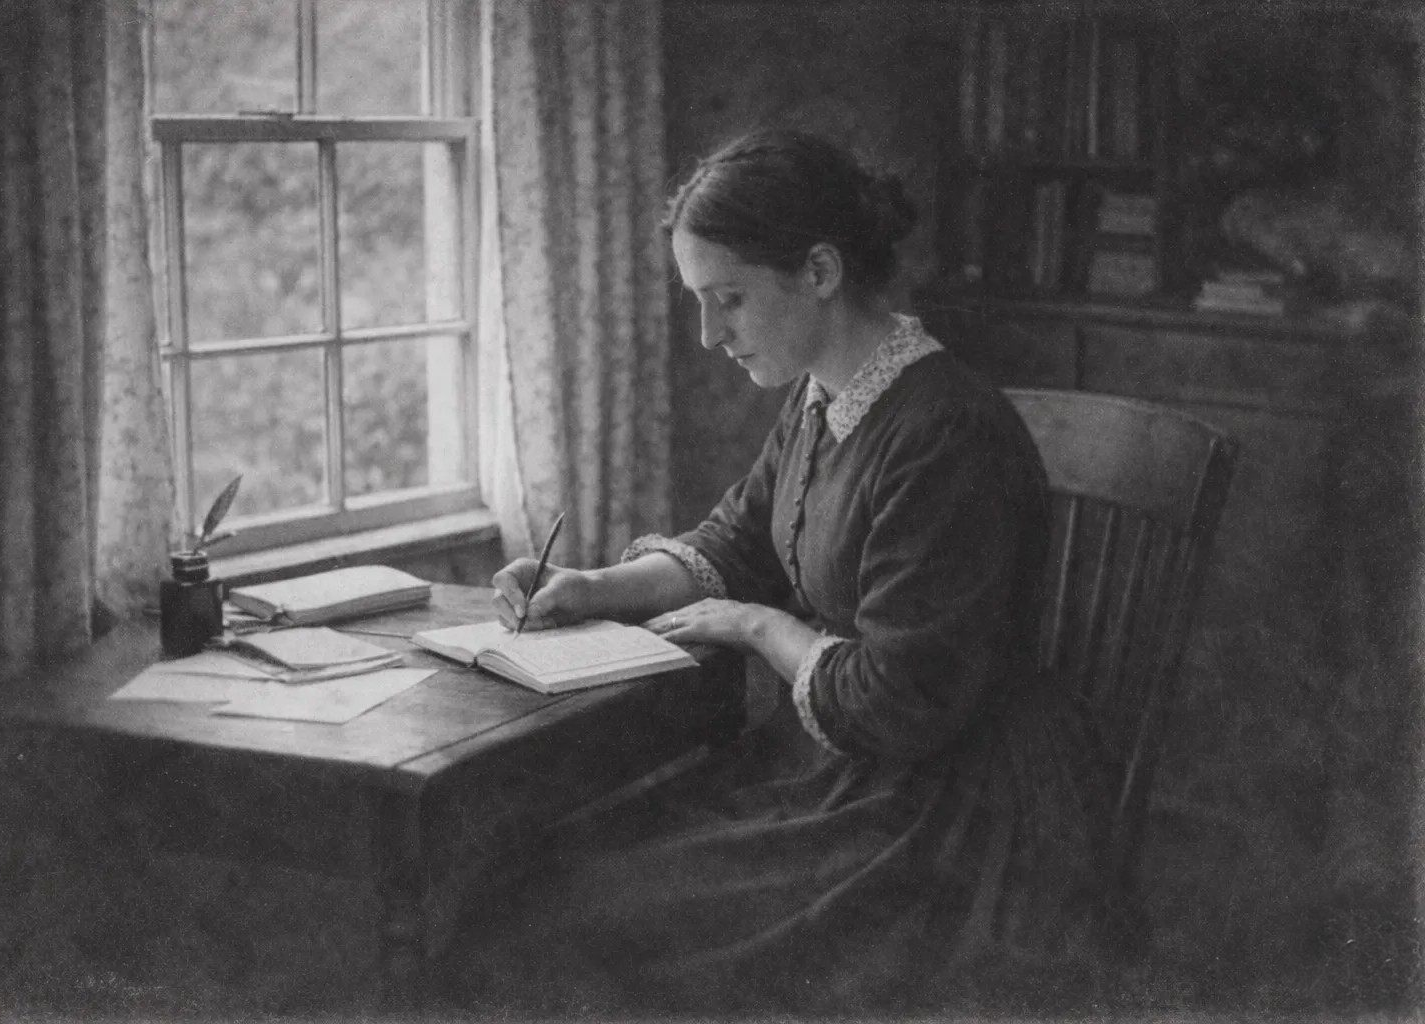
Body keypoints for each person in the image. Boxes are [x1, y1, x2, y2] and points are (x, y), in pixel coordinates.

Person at [447, 129, 1106, 1016]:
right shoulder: (822, 395)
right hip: (846, 769)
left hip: (947, 808)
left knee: (579, 916)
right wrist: (592, 587)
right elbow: (739, 543)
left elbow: (899, 700)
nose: (710, 335)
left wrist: (761, 626)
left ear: (822, 273)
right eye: (699, 302)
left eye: (730, 301)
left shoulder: (945, 434)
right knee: (544, 871)